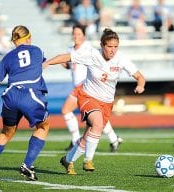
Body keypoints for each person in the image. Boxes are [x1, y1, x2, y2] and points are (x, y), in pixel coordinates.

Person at [43, 28, 145, 174]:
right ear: (102, 45)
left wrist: (140, 85)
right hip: (88, 97)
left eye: (115, 47)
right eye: (109, 46)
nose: (112, 50)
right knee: (97, 123)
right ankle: (88, 160)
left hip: (107, 103)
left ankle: (68, 160)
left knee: (88, 136)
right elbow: (66, 57)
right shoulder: (92, 55)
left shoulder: (121, 59)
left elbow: (140, 76)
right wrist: (47, 63)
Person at [0, 25, 50, 181]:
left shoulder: (7, 57)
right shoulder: (37, 50)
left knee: (6, 133)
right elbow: (44, 63)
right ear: (29, 37)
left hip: (11, 96)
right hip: (29, 95)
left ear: (14, 40)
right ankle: (27, 165)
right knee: (43, 126)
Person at [61, 24, 123, 152]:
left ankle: (75, 140)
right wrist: (64, 64)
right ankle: (113, 139)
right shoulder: (70, 49)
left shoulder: (88, 49)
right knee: (97, 118)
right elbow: (70, 65)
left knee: (66, 110)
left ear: (84, 36)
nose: (76, 36)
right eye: (74, 33)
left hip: (84, 86)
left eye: (79, 34)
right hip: (79, 86)